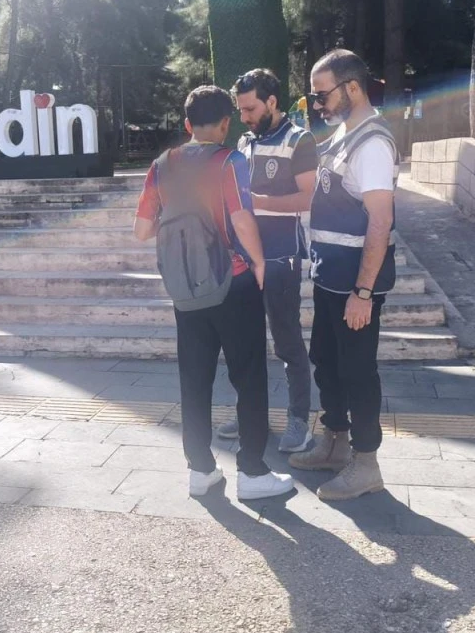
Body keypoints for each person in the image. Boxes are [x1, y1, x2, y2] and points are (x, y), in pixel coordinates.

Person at [134, 86, 295, 501]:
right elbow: (241, 219)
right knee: (249, 377)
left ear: (187, 124)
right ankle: (253, 472)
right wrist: (259, 263)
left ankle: (201, 470)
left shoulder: (162, 165)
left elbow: (142, 229)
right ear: (226, 124)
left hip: (186, 289)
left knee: (194, 379)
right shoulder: (230, 161)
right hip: (233, 282)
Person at [288, 49, 399, 501]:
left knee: (357, 371)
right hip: (330, 276)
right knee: (327, 361)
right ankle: (334, 441)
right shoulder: (342, 135)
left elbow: (380, 222)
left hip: (355, 283)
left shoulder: (371, 144)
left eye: (322, 94)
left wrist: (364, 292)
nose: (317, 104)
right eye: (314, 96)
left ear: (352, 87)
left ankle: (366, 462)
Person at [214, 68, 317, 453]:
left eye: (250, 109)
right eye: (240, 110)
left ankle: (298, 421)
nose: (244, 117)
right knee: (244, 342)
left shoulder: (299, 139)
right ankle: (250, 416)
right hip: (244, 259)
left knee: (287, 342)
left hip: (280, 258)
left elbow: (308, 198)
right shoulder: (246, 140)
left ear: (272, 101)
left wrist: (255, 203)